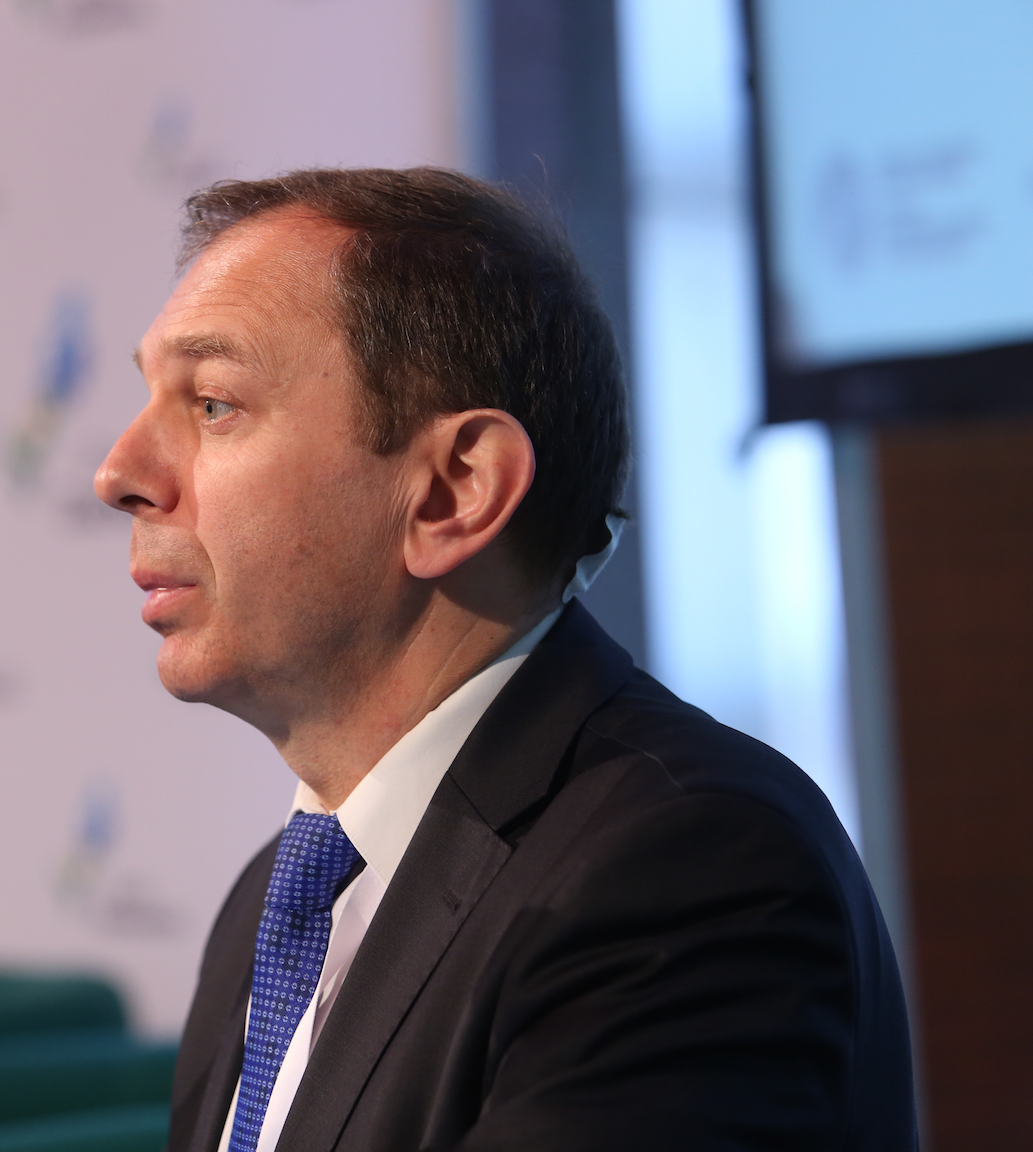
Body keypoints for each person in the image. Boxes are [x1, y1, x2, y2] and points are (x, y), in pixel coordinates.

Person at [94, 168, 915, 1152]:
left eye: (213, 404)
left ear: (455, 489)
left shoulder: (684, 869)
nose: (120, 473)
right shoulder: (278, 900)